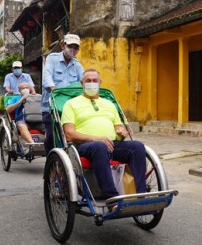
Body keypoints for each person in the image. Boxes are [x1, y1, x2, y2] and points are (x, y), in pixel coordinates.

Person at [61, 69, 146, 200]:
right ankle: (112, 199)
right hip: (85, 146)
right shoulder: (71, 104)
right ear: (82, 83)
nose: (91, 83)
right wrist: (95, 139)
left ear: (100, 82)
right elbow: (69, 134)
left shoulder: (109, 104)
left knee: (137, 146)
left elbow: (118, 129)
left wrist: (122, 133)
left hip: (112, 144)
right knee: (99, 146)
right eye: (88, 80)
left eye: (95, 80)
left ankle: (140, 195)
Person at [41, 33, 84, 154]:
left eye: (76, 47)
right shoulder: (52, 58)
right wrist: (53, 89)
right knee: (51, 137)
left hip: (70, 108)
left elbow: (83, 82)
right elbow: (47, 76)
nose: (73, 50)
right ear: (63, 45)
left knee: (71, 136)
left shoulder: (78, 65)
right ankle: (50, 162)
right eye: (70, 46)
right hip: (51, 106)